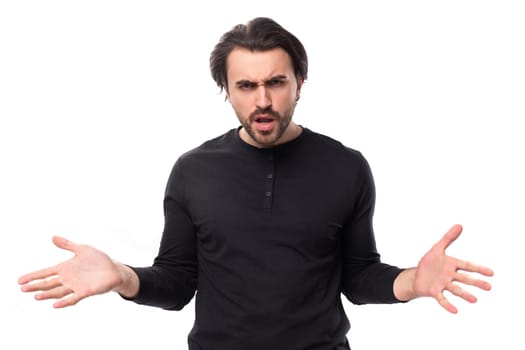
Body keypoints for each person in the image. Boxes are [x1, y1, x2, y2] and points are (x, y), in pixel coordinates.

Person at [18, 17, 494, 350]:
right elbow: (179, 283)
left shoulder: (346, 166)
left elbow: (359, 275)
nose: (263, 100)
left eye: (277, 82)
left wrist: (413, 281)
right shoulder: (193, 170)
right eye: (246, 86)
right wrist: (124, 277)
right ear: (227, 89)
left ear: (300, 82)